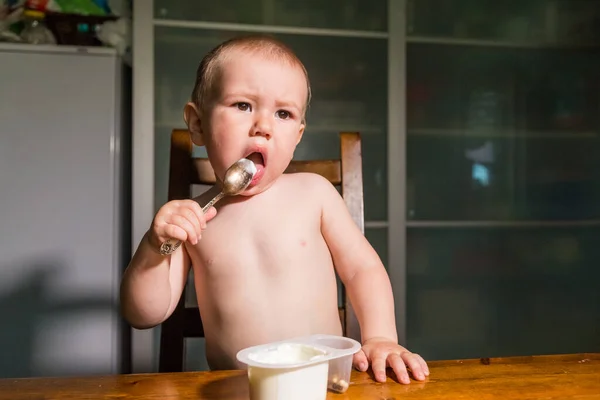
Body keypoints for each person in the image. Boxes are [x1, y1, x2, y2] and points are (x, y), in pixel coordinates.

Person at [120, 34, 429, 384]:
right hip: (238, 389)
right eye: (242, 105)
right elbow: (144, 314)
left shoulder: (315, 194)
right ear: (198, 124)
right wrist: (153, 247)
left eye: (283, 113)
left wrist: (381, 337)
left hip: (326, 384)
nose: (263, 127)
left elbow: (362, 270)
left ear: (297, 136)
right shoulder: (194, 217)